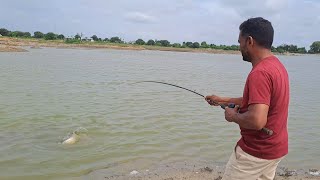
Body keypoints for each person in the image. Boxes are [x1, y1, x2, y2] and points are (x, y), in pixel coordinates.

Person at [205, 17, 290, 180]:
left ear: (249, 41)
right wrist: (221, 100)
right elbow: (258, 101)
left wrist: (232, 116)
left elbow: (257, 120)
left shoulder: (259, 73)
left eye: (240, 42)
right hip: (275, 149)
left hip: (255, 154)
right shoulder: (276, 65)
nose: (239, 47)